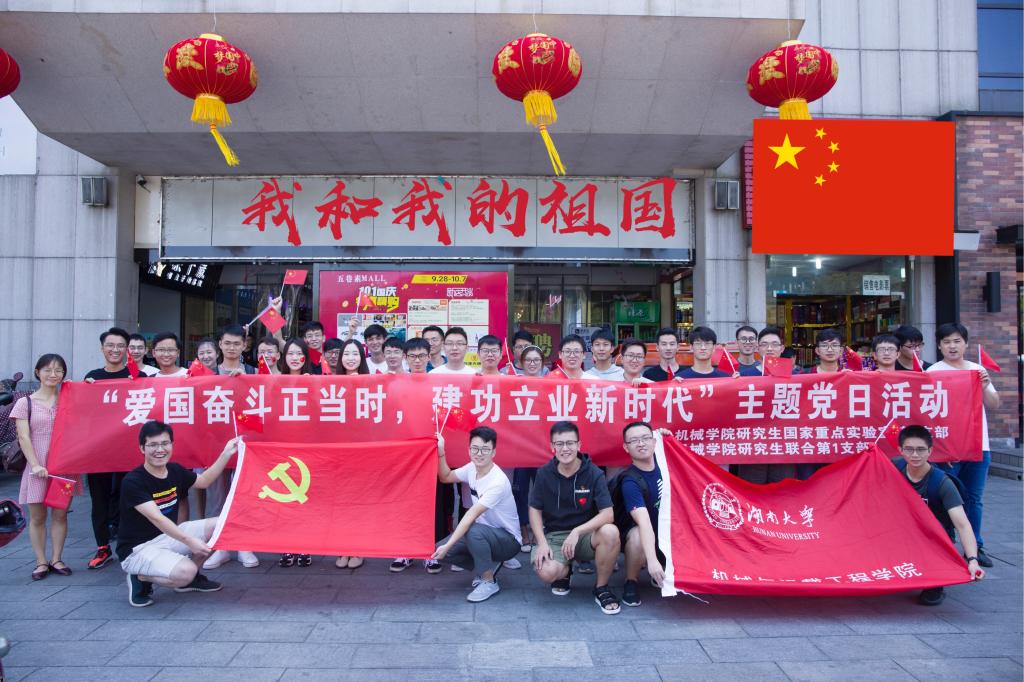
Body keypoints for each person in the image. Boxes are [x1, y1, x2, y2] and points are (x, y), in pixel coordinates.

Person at [118, 421, 239, 607]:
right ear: (142, 448)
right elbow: (157, 518)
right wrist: (190, 541)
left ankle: (189, 579)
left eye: (165, 443)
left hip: (167, 537)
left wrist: (226, 454)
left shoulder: (174, 470)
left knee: (222, 525)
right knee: (185, 572)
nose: (160, 450)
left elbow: (204, 481)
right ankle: (140, 577)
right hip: (138, 550)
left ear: (172, 445)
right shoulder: (133, 481)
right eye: (153, 445)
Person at [927, 322, 1000, 568]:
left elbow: (994, 404)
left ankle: (976, 547)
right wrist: (941, 449)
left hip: (979, 446)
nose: (952, 346)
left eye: (957, 341)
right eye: (947, 342)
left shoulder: (977, 370)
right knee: (944, 499)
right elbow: (929, 415)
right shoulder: (933, 373)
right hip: (948, 449)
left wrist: (985, 385)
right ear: (939, 346)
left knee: (974, 499)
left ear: (966, 344)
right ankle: (947, 544)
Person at [529, 422, 621, 615]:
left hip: (586, 535)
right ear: (552, 447)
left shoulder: (594, 473)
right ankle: (565, 570)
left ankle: (602, 588)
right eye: (559, 444)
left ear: (579, 445)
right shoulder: (544, 473)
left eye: (570, 443)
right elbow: (534, 509)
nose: (565, 448)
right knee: (546, 572)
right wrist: (542, 542)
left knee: (611, 532)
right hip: (555, 536)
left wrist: (578, 531)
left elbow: (608, 514)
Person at [895, 425, 985, 605]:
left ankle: (935, 584)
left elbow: (962, 525)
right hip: (901, 533)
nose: (915, 455)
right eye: (909, 449)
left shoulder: (942, 483)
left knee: (931, 572)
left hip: (934, 537)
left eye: (921, 449)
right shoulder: (894, 469)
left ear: (930, 451)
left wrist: (973, 560)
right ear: (900, 450)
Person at [432, 428, 522, 602]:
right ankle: (486, 565)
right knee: (439, 551)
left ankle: (489, 581)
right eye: (475, 448)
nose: (479, 454)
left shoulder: (497, 481)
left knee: (472, 531)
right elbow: (445, 477)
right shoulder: (471, 468)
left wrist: (449, 544)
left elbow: (470, 515)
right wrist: (441, 452)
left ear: (493, 452)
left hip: (509, 541)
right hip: (485, 534)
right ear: (469, 449)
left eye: (485, 449)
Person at [10, 354, 79, 580]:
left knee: (60, 515)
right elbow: (24, 437)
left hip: (64, 468)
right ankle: (40, 561)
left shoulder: (69, 400)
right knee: (38, 517)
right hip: (36, 468)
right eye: (48, 370)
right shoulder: (25, 403)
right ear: (37, 372)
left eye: (58, 370)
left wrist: (87, 386)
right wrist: (35, 465)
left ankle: (57, 558)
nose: (53, 374)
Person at [390, 337, 448, 575]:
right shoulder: (395, 384)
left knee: (431, 502)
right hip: (404, 452)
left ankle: (430, 551)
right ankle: (404, 550)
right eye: (412, 356)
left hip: (431, 452)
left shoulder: (438, 384)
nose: (417, 360)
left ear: (429, 356)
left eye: (421, 356)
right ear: (405, 358)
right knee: (404, 501)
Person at [83, 327, 133, 570]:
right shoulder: (92, 378)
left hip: (128, 449)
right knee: (99, 499)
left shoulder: (136, 376)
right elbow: (82, 411)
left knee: (128, 497)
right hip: (99, 450)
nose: (115, 350)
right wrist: (84, 388)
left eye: (120, 346)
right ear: (102, 348)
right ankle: (102, 547)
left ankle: (127, 545)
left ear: (126, 349)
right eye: (110, 345)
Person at [735, 326, 798, 485]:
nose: (770, 348)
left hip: (783, 446)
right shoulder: (744, 376)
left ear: (782, 348)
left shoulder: (797, 377)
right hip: (753, 445)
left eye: (774, 344)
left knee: (783, 491)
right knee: (751, 490)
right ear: (758, 348)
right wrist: (732, 384)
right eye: (764, 344)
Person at [613, 421, 666, 607]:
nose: (641, 444)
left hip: (669, 533)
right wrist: (652, 561)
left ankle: (667, 569)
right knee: (637, 535)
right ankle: (631, 581)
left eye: (645, 438)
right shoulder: (630, 481)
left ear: (654, 441)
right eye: (634, 440)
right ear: (626, 447)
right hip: (644, 535)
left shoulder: (666, 465)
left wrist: (666, 436)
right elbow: (643, 522)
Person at [511, 345, 547, 551]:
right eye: (528, 360)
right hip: (520, 447)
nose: (532, 364)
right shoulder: (513, 383)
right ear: (522, 363)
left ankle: (540, 531)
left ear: (542, 363)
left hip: (542, 446)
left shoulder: (551, 384)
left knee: (542, 489)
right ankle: (524, 530)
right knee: (520, 490)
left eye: (536, 360)